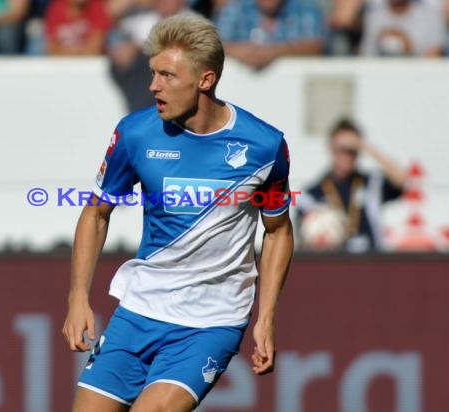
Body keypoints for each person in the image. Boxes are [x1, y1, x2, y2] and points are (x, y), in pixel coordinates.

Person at [62, 13, 294, 412]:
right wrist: (77, 298)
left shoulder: (264, 146)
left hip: (211, 321)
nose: (153, 86)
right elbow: (96, 213)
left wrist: (266, 317)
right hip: (138, 310)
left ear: (205, 80)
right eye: (153, 73)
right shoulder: (135, 133)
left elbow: (277, 231)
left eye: (167, 75)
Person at [297, 118, 407, 252]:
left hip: (372, 262)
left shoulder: (372, 183)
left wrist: (366, 147)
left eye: (352, 151)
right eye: (342, 149)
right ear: (331, 148)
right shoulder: (311, 194)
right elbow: (304, 239)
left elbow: (401, 180)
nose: (347, 156)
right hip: (335, 265)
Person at [215, 0, 325, 69]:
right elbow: (214, 45)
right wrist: (240, 52)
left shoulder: (305, 7)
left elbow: (316, 46)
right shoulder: (235, 7)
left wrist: (275, 52)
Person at [359, 0, 445, 56]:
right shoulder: (373, 17)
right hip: (380, 78)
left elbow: (434, 59)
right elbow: (366, 56)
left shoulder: (431, 17)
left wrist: (408, 48)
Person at [44, 0, 111, 55]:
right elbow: (51, 48)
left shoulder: (96, 7)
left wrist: (70, 53)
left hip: (89, 64)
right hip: (62, 65)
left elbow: (96, 47)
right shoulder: (56, 8)